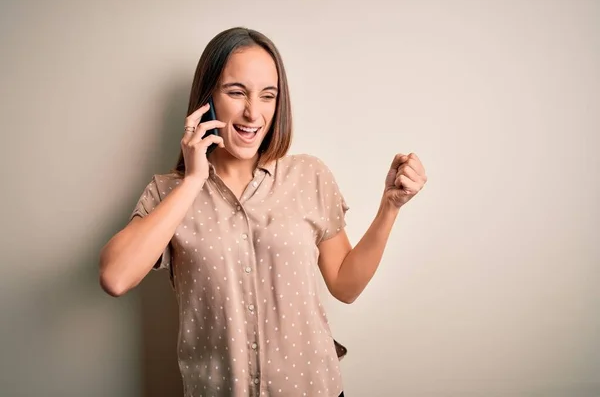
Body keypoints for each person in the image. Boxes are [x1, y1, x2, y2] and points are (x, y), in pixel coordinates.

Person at [99, 26, 427, 397]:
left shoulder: (309, 176)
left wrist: (390, 206)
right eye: (236, 92)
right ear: (206, 100)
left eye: (267, 96)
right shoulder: (168, 192)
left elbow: (345, 285)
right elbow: (115, 277)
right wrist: (193, 180)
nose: (253, 112)